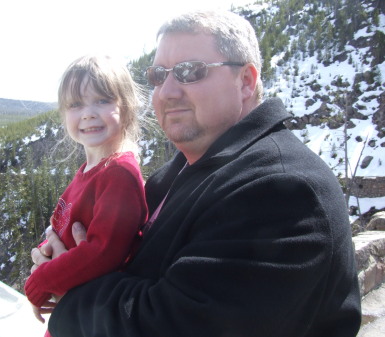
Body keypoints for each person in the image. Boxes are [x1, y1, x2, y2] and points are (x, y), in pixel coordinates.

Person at [31, 10, 361, 337]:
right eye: (159, 75)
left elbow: (178, 325)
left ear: (245, 81)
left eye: (190, 72)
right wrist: (60, 264)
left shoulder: (282, 190)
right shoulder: (186, 171)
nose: (167, 91)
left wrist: (70, 294)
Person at [24, 55, 148, 336]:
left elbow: (103, 252)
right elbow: (63, 228)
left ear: (126, 108)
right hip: (72, 314)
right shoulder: (88, 171)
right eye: (75, 104)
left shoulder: (118, 174)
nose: (88, 113)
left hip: (89, 322)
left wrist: (42, 281)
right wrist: (44, 258)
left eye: (102, 100)